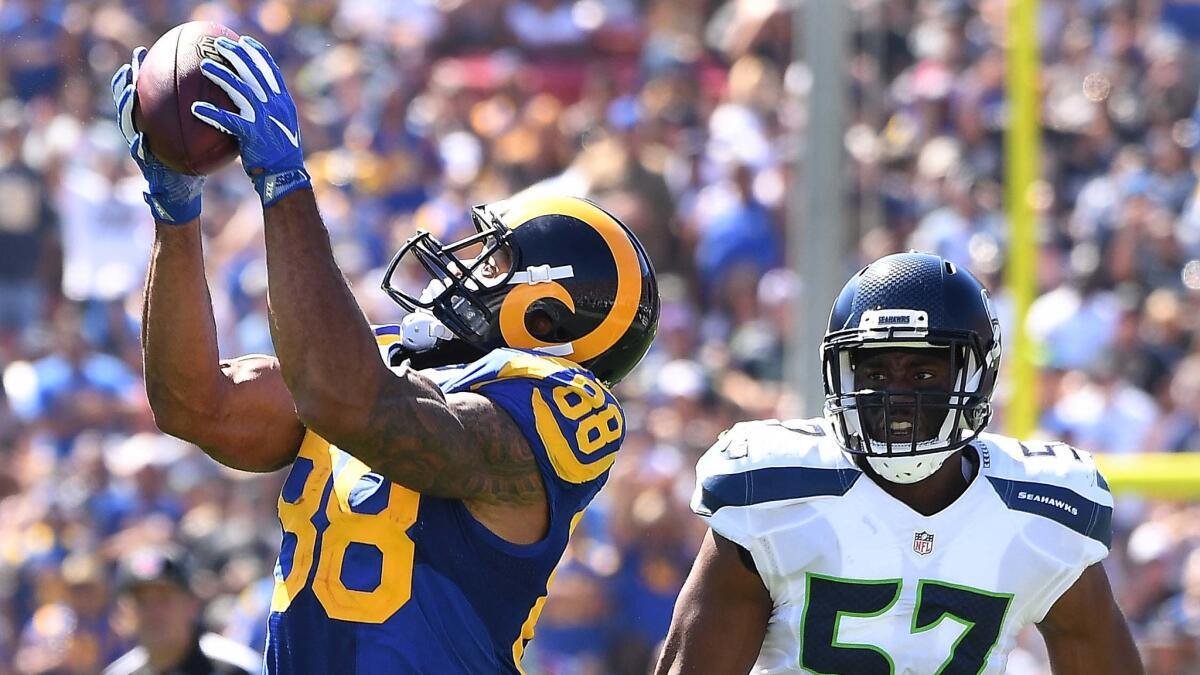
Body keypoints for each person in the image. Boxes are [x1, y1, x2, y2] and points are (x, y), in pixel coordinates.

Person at [110, 35, 659, 673]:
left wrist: (285, 185)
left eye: (496, 258)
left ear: (548, 314)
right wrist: (175, 216)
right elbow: (194, 404)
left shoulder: (564, 406)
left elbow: (354, 406)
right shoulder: (378, 362)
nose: (462, 265)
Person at [655, 252, 1143, 674]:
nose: (897, 395)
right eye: (875, 371)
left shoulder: (1040, 508)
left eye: (924, 371)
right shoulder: (771, 490)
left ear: (977, 376)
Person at [104, 547, 260, 675]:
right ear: (123, 611)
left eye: (164, 598)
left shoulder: (237, 668)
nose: (153, 611)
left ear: (192, 603)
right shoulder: (120, 672)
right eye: (141, 601)